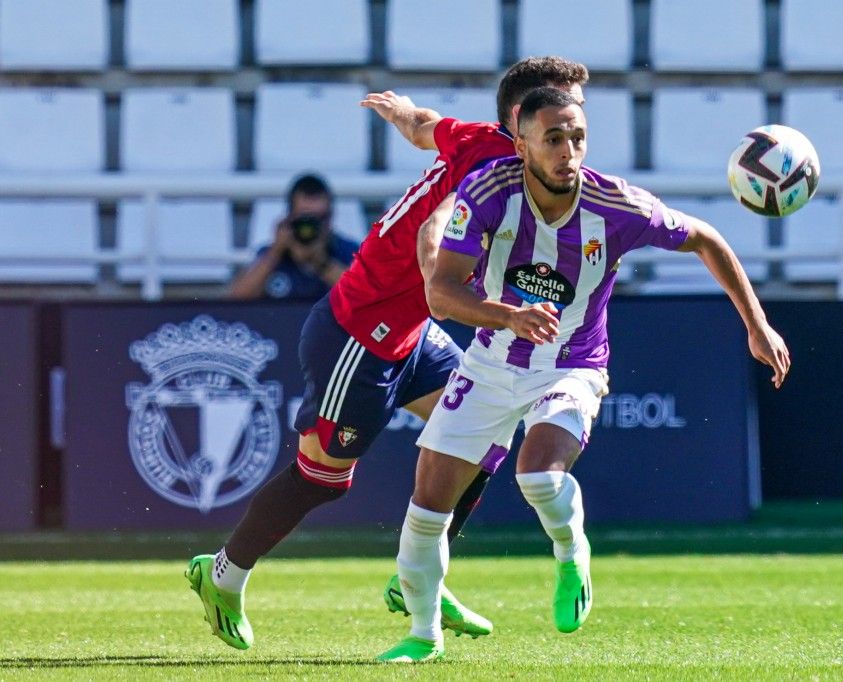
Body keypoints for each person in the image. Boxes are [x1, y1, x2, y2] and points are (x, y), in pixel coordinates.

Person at [185, 58, 591, 651]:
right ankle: (222, 573)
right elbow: (435, 226)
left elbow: (428, 125)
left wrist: (402, 113)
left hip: (413, 334)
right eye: (559, 103)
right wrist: (443, 282)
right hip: (361, 334)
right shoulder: (491, 163)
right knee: (323, 479)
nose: (574, 119)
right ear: (520, 119)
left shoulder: (498, 146)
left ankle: (417, 574)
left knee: (482, 438)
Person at [376, 87, 791, 663]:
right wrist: (509, 316)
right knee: (425, 509)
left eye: (577, 137)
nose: (568, 151)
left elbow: (705, 237)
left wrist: (757, 323)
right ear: (521, 143)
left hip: (572, 365)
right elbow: (440, 294)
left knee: (537, 477)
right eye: (553, 138)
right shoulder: (488, 192)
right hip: (491, 361)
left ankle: (571, 552)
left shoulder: (615, 205)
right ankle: (424, 636)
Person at [229, 173, 359, 300]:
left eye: (320, 218)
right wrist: (275, 252)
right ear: (290, 217)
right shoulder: (272, 254)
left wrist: (320, 262)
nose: (312, 227)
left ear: (331, 217)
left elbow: (365, 298)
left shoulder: (350, 252)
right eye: (305, 219)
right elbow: (237, 299)